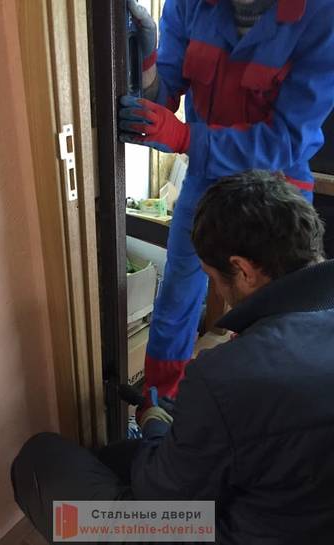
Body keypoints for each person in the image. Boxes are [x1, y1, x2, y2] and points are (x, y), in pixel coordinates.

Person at [12, 171, 334, 544]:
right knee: (113, 458)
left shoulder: (227, 375)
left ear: (244, 270)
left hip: (227, 529)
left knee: (40, 458)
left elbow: (158, 498)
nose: (217, 290)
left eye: (213, 277)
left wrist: (154, 423)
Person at [119, 0, 334, 403]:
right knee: (176, 301)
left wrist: (185, 138)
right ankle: (159, 406)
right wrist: (144, 65)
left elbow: (287, 140)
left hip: (278, 186)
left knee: (272, 315)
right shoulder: (188, 5)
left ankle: (251, 415)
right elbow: (163, 93)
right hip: (206, 179)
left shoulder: (323, 15)